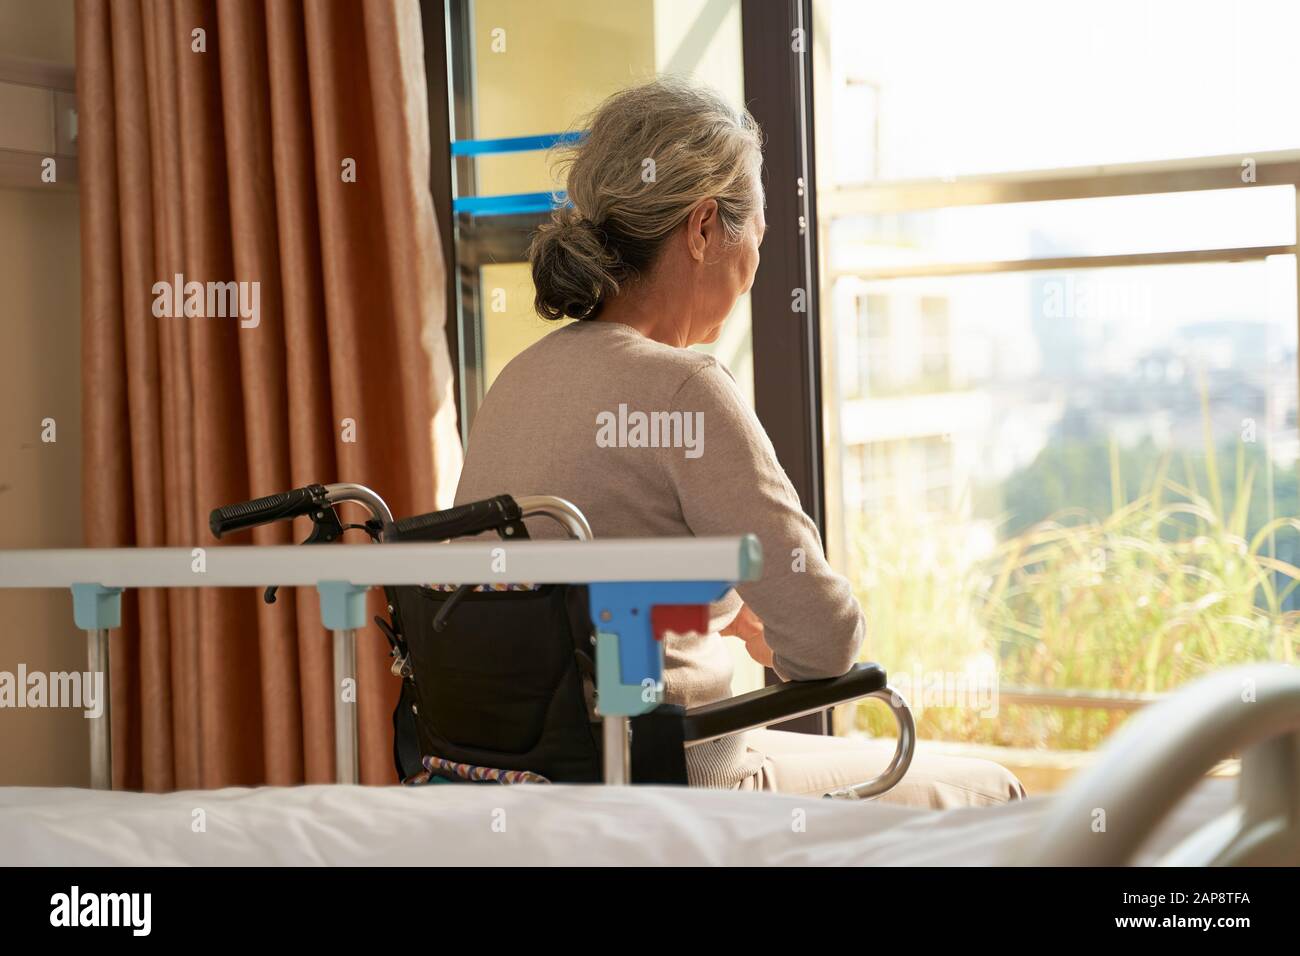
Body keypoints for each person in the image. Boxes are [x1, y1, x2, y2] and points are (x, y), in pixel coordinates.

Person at [455, 77, 1025, 807]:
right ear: (701, 229)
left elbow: (563, 582)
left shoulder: (516, 381)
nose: (756, 264)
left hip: (521, 776)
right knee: (992, 788)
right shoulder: (684, 388)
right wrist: (773, 637)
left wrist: (714, 609)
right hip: (675, 778)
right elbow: (827, 642)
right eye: (755, 236)